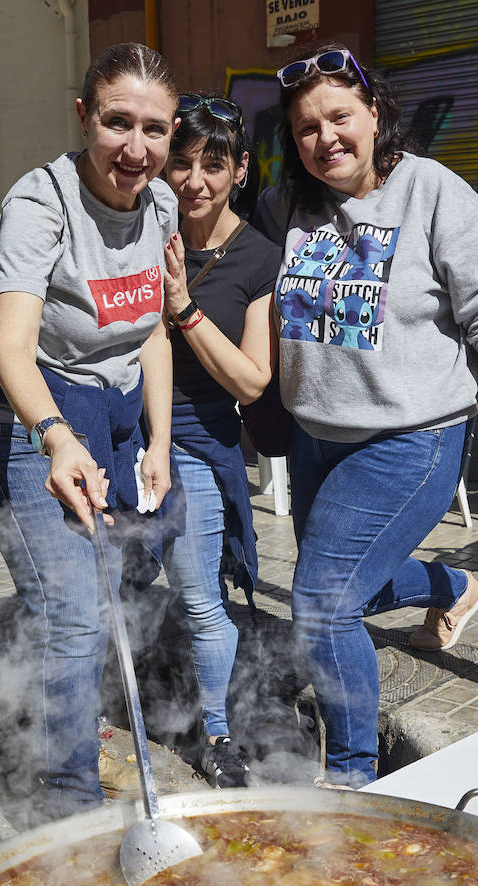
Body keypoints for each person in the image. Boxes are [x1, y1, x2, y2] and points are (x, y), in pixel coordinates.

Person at [259, 46, 478, 788]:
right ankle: (451, 589)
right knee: (336, 587)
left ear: (375, 114)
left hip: (410, 440)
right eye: (307, 127)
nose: (326, 138)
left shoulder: (431, 190)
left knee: (320, 602)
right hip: (315, 438)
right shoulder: (287, 204)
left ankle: (350, 776)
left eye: (340, 117)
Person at [0, 42, 179, 822]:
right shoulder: (39, 203)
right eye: (117, 122)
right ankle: (70, 805)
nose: (135, 148)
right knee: (72, 613)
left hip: (116, 418)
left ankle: (69, 729)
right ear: (84, 116)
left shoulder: (161, 205)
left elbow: (152, 332)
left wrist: (156, 442)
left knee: (104, 594)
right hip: (29, 417)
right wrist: (55, 436)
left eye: (154, 129)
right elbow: (9, 345)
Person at [160, 93, 281, 787]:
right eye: (181, 163)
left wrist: (182, 307)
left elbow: (250, 381)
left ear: (239, 169)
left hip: (199, 441)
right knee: (104, 584)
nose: (195, 181)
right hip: (123, 436)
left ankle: (215, 733)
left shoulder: (257, 257)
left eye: (213, 163)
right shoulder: (142, 234)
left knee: (201, 599)